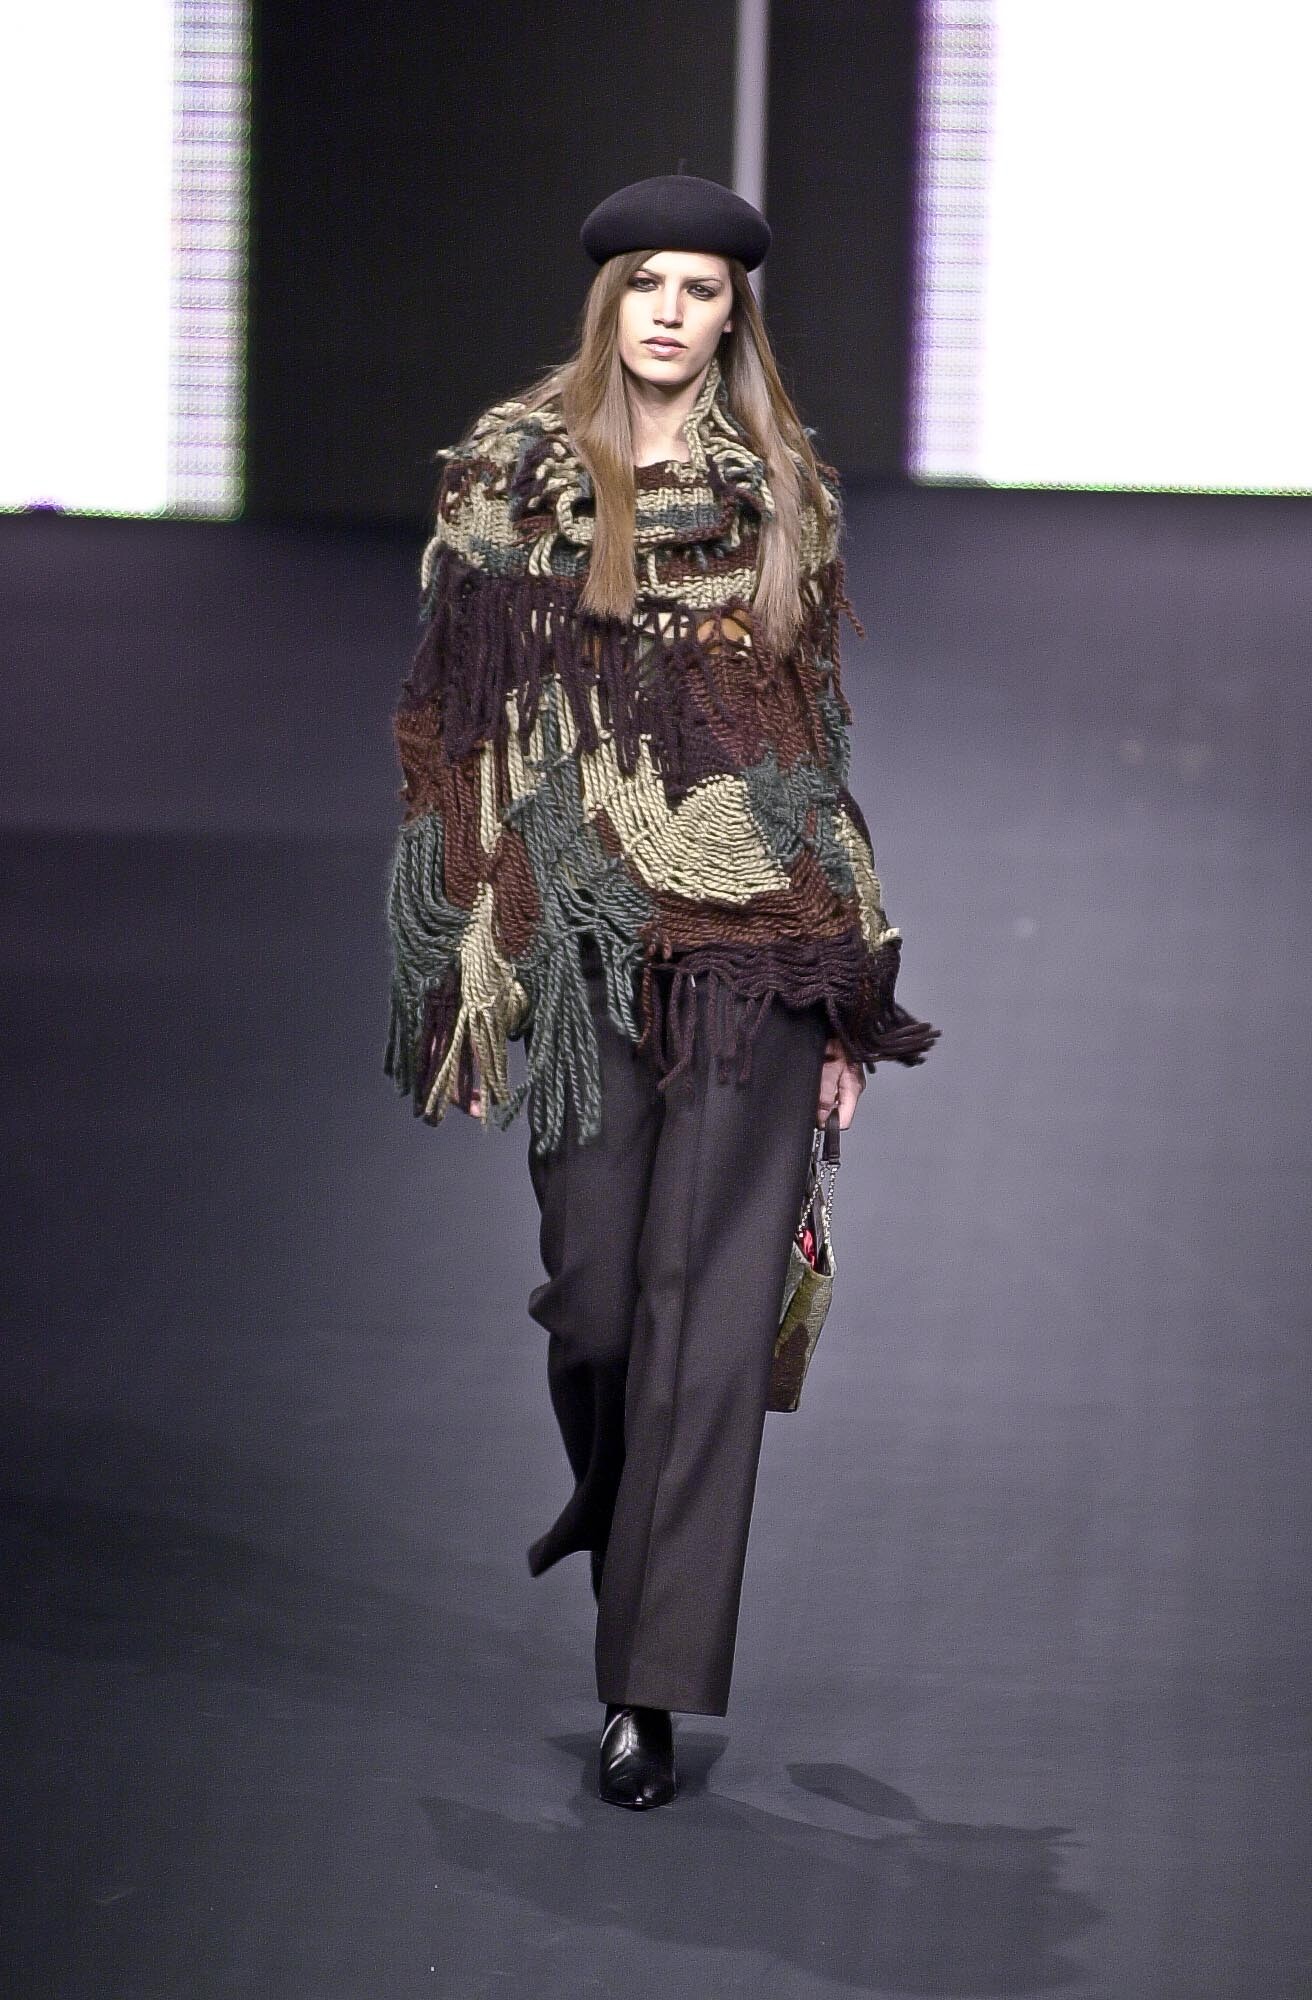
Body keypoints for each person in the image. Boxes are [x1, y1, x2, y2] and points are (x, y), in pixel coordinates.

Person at [383, 171, 939, 1810]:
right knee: (600, 1304)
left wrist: (851, 995)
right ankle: (626, 1533)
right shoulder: (509, 479)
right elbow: (454, 739)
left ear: (732, 315)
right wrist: (465, 971)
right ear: (609, 300)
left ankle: (649, 1683)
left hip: (756, 947)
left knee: (706, 1327)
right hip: (578, 945)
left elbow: (810, 741)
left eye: (703, 289)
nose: (673, 313)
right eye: (649, 284)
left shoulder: (781, 490)